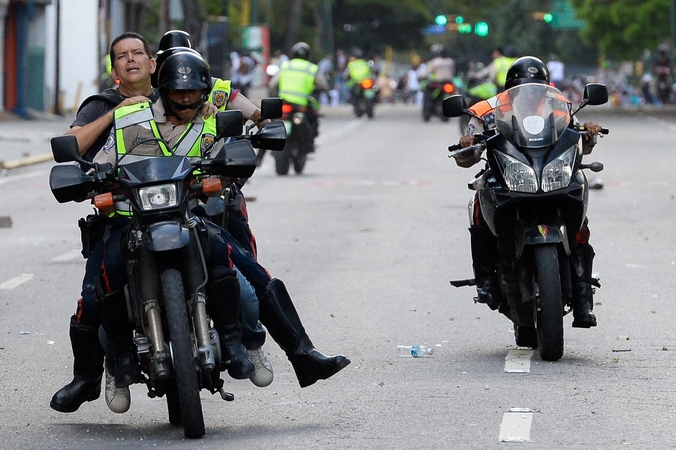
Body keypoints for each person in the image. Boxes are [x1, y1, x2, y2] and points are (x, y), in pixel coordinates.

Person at [455, 56, 599, 328]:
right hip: (510, 174)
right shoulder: (486, 109)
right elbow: (467, 156)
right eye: (525, 87)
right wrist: (468, 143)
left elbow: (576, 143)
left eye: (537, 87)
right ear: (511, 87)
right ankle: (486, 279)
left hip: (550, 172)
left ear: (545, 86)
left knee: (579, 203)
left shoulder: (561, 106)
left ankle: (583, 297)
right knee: (478, 199)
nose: (531, 94)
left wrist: (588, 134)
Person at [267, 41, 329, 149]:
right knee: (313, 119)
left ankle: (260, 156)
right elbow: (324, 85)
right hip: (301, 104)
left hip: (283, 102)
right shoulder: (311, 68)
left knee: (270, 124)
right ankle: (308, 145)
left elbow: (272, 84)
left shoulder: (286, 65)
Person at [420, 44, 456, 108]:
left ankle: (428, 105)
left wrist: (421, 77)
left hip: (438, 83)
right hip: (449, 82)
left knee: (428, 90)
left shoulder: (435, 62)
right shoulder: (450, 61)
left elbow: (427, 72)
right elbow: (454, 72)